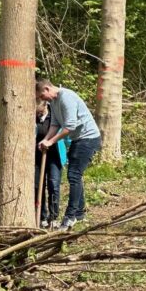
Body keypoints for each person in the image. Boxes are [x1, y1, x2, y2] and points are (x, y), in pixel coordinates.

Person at [36, 78, 102, 232]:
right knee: (75, 175)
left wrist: (51, 142)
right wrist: (45, 139)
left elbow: (69, 126)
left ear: (47, 89)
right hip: (78, 139)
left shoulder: (67, 97)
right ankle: (79, 214)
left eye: (41, 96)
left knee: (73, 176)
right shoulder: (54, 102)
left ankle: (70, 217)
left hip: (88, 138)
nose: (41, 100)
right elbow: (55, 124)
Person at [35, 100, 66, 229]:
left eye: (40, 110)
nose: (38, 113)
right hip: (36, 156)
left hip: (54, 155)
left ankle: (53, 217)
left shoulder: (54, 115)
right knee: (37, 186)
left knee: (53, 184)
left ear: (45, 105)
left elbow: (65, 132)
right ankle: (41, 216)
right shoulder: (32, 118)